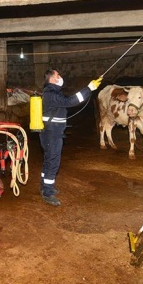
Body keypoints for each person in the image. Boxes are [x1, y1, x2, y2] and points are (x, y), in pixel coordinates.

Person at [39, 68, 102, 206]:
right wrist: (89, 88)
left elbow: (67, 101)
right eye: (58, 75)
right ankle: (47, 193)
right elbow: (71, 101)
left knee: (49, 159)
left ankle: (44, 186)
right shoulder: (51, 94)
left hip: (51, 132)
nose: (60, 77)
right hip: (52, 133)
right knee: (53, 161)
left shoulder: (52, 92)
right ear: (52, 79)